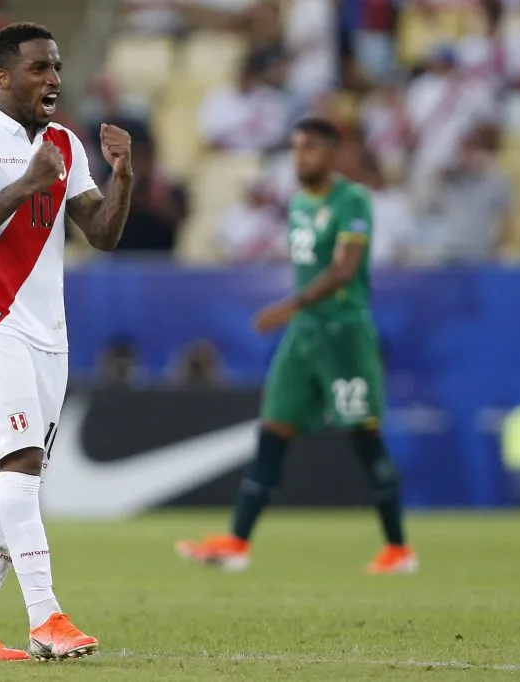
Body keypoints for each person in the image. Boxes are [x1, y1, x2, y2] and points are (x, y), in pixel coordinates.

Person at [0, 22, 133, 661]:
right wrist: (25, 184)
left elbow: (101, 232)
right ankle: (47, 619)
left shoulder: (64, 144)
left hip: (48, 335)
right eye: (41, 68)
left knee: (7, 479)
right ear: (3, 77)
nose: (54, 79)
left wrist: (122, 175)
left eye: (58, 67)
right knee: (21, 465)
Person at [176, 117, 417, 575]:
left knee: (363, 435)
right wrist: (297, 314)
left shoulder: (352, 199)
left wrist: (290, 305)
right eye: (295, 148)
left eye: (308, 148)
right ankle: (237, 543)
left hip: (343, 334)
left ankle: (399, 549)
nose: (299, 156)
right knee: (273, 430)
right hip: (303, 337)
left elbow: (345, 268)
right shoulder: (300, 204)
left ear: (332, 152)